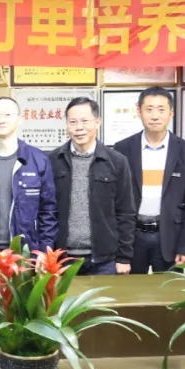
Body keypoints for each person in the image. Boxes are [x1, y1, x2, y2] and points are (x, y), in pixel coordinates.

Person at [113, 87, 185, 274]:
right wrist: (120, 249)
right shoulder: (122, 149)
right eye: (149, 109)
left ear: (171, 113)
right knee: (129, 289)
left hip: (170, 236)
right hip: (133, 237)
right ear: (139, 111)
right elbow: (116, 202)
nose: (155, 116)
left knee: (169, 290)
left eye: (161, 110)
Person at [48, 98, 134, 276]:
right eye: (73, 122)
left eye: (85, 121)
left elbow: (126, 212)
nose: (79, 128)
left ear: (97, 122)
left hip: (104, 260)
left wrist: (124, 257)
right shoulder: (53, 160)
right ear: (66, 125)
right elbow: (46, 211)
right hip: (63, 258)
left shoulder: (117, 161)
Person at [0, 97, 57, 265]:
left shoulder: (38, 159)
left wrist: (45, 250)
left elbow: (48, 210)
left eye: (7, 115)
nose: (1, 120)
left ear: (20, 119)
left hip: (27, 253)